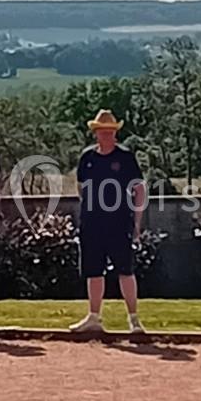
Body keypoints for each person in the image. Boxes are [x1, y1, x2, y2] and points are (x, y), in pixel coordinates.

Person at [71, 110, 146, 334]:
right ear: (96, 133)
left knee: (126, 270)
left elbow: (139, 189)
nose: (107, 135)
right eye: (103, 132)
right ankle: (94, 316)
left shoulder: (125, 157)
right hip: (92, 222)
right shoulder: (87, 158)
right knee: (93, 271)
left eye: (111, 132)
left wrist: (137, 221)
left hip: (120, 220)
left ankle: (133, 319)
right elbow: (81, 187)